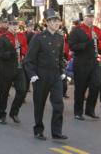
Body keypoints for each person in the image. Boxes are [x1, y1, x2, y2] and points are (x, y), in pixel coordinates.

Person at [24, 8, 67, 140]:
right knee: (39, 104)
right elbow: (28, 59)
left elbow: (60, 58)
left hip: (55, 76)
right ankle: (38, 129)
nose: (56, 23)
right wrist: (32, 74)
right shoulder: (38, 37)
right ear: (47, 23)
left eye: (57, 21)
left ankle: (56, 132)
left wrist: (62, 71)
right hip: (41, 76)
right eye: (53, 21)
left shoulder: (60, 37)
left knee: (59, 103)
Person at [69, 6, 101, 120]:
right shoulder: (77, 30)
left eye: (92, 17)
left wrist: (99, 43)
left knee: (97, 84)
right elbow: (72, 46)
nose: (90, 19)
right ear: (84, 18)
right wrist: (87, 44)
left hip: (94, 62)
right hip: (81, 63)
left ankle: (90, 110)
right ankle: (78, 112)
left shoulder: (97, 30)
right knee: (80, 88)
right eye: (88, 17)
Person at [0, 14, 28, 124]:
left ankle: (14, 112)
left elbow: (26, 49)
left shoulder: (21, 36)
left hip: (19, 68)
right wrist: (11, 52)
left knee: (22, 90)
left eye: (16, 24)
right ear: (8, 25)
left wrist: (22, 51)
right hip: (6, 69)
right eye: (12, 24)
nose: (15, 27)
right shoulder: (3, 38)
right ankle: (1, 114)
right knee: (4, 93)